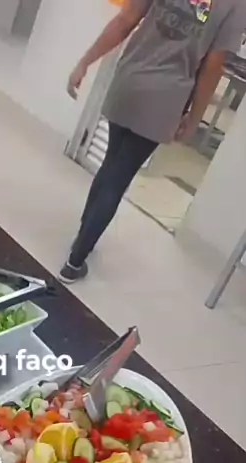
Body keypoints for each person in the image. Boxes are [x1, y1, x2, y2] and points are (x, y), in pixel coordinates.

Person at [59, 0, 246, 283]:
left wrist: (84, 62)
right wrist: (195, 117)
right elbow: (213, 67)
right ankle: (75, 261)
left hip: (129, 81)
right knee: (119, 177)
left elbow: (125, 20)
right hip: (166, 98)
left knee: (111, 165)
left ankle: (83, 237)